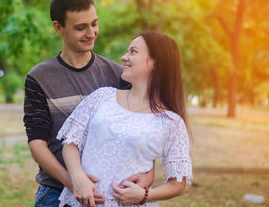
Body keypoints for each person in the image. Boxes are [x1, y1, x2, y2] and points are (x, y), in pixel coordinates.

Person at [23, 0, 155, 207]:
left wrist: (148, 173)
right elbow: (37, 143)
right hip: (56, 194)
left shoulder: (118, 74)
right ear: (58, 27)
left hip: (109, 195)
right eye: (80, 27)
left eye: (94, 24)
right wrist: (74, 182)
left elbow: (139, 128)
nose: (91, 33)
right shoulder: (39, 78)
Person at [57, 31, 192, 207]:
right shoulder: (102, 96)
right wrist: (77, 177)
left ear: (155, 63)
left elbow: (177, 183)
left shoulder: (171, 122)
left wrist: (144, 195)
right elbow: (70, 143)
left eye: (133, 52)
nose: (123, 57)